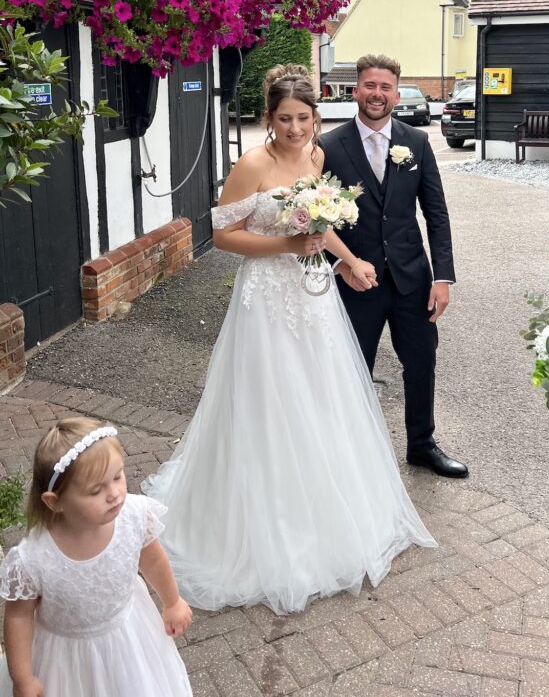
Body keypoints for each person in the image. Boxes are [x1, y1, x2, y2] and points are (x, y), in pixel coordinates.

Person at [143, 65, 435, 614]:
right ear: (268, 117)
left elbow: (319, 231)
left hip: (315, 293)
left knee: (321, 395)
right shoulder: (253, 163)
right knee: (268, 399)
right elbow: (223, 235)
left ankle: (326, 509)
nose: (295, 129)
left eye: (303, 118)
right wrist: (285, 247)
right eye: (284, 119)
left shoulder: (319, 157)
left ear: (315, 118)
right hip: (266, 299)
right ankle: (261, 517)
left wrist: (350, 263)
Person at [320, 54, 468, 478]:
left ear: (396, 92)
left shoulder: (416, 143)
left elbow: (435, 214)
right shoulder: (329, 146)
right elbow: (316, 220)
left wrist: (442, 278)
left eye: (385, 87)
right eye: (369, 85)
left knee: (422, 363)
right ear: (355, 90)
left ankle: (422, 445)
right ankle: (353, 452)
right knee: (353, 369)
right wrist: (341, 263)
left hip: (412, 278)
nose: (377, 94)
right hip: (356, 281)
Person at [0, 416, 193, 697]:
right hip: (65, 659)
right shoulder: (34, 558)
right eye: (96, 490)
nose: (115, 493)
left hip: (130, 638)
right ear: (55, 501)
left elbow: (152, 559)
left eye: (117, 476)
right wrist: (23, 677)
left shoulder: (134, 517)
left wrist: (172, 602)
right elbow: (19, 617)